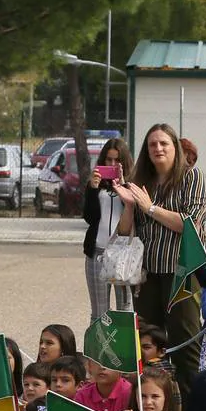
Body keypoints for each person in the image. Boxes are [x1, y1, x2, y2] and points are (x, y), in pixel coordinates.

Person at [112, 122, 206, 401]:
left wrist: (150, 208)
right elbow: (124, 232)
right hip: (148, 274)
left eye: (164, 143)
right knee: (147, 345)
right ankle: (149, 408)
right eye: (153, 144)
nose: (158, 149)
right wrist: (130, 205)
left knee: (184, 345)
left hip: (183, 272)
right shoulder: (140, 180)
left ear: (175, 148)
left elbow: (189, 225)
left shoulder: (192, 177)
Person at [83, 137, 135, 320]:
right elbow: (89, 217)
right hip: (97, 252)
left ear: (124, 162)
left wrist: (123, 185)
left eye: (117, 160)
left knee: (125, 310)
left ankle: (125, 348)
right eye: (109, 160)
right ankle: (99, 348)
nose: (112, 164)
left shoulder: (131, 184)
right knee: (99, 313)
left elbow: (136, 213)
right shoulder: (96, 186)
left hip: (123, 254)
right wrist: (93, 189)